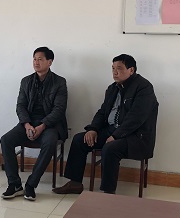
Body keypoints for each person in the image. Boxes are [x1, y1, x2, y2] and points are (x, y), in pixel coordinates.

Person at [53, 54, 157, 195]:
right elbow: (103, 112)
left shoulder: (144, 88)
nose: (115, 72)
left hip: (136, 136)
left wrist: (116, 136)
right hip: (112, 130)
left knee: (110, 148)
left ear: (131, 70)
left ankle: (108, 192)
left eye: (119, 68)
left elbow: (136, 118)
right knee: (79, 139)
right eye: (113, 68)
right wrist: (93, 129)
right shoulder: (112, 88)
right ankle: (75, 183)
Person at [0, 47, 68, 201]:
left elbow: (59, 110)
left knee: (50, 142)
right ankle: (15, 184)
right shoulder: (26, 81)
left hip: (49, 125)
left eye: (40, 59)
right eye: (34, 59)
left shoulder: (59, 82)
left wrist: (42, 126)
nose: (36, 62)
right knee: (6, 140)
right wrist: (27, 125)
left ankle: (31, 184)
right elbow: (20, 106)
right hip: (28, 123)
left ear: (49, 62)